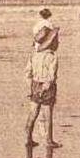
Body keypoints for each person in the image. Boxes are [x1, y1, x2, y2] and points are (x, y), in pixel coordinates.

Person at [25, 14, 61, 148]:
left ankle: (28, 138)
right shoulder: (52, 56)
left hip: (35, 84)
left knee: (33, 113)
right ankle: (49, 140)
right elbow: (52, 75)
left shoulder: (34, 55)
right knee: (48, 115)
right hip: (47, 87)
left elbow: (27, 72)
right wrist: (47, 86)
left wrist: (30, 87)